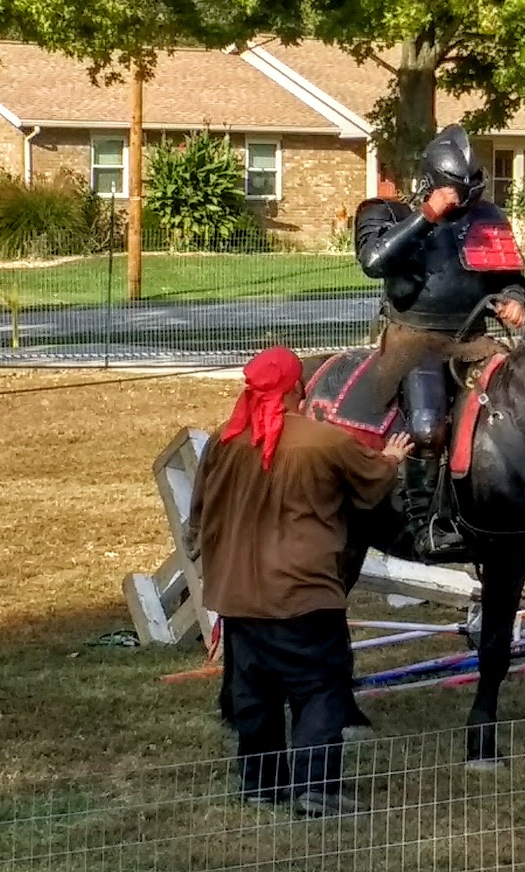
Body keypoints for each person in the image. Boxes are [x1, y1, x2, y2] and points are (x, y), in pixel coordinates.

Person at [189, 346, 413, 814]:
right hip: (303, 592)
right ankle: (316, 789)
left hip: (238, 595)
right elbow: (371, 487)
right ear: (298, 388)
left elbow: (200, 513)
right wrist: (391, 459)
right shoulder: (324, 441)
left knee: (256, 693)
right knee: (319, 688)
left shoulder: (223, 441)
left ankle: (260, 784)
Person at [352, 124, 525, 561]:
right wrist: (426, 217)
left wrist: (513, 298)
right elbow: (374, 262)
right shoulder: (383, 212)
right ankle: (422, 523)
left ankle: (498, 503)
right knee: (428, 426)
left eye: (471, 193)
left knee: (519, 408)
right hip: (413, 336)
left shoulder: (488, 219)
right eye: (457, 192)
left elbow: (512, 277)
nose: (464, 203)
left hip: (472, 337)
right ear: (433, 181)